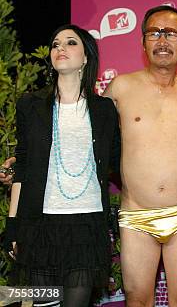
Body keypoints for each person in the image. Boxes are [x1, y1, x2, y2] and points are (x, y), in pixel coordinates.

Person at [102, 5, 177, 306]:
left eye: (171, 33)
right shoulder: (121, 87)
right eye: (154, 33)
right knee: (138, 301)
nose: (162, 40)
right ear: (143, 42)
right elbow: (86, 131)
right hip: (136, 215)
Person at [3, 24, 120, 307]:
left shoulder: (104, 109)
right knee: (43, 304)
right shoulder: (30, 105)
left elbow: (119, 161)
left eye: (70, 43)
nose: (60, 49)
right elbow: (25, 167)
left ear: (86, 58)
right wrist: (13, 226)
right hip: (40, 224)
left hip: (86, 224)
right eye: (56, 44)